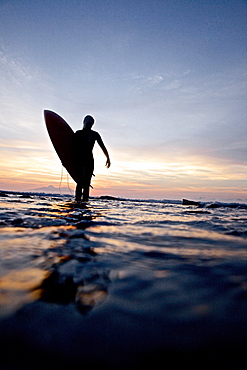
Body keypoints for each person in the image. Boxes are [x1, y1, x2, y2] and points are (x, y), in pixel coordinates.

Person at [73, 115, 110, 202]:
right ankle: (77, 203)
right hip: (79, 160)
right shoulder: (78, 133)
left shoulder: (94, 134)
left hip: (89, 160)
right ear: (84, 122)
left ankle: (85, 203)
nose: (89, 125)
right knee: (79, 182)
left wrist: (107, 157)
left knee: (87, 184)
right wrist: (66, 159)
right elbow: (71, 147)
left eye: (91, 124)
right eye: (88, 123)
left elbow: (102, 146)